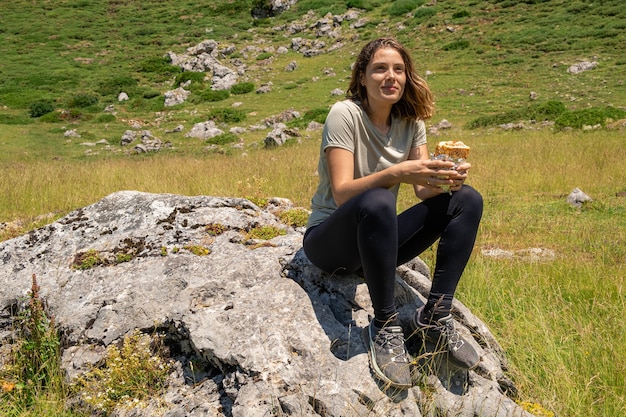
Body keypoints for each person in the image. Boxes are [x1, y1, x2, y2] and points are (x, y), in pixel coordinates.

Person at [302, 37, 483, 389]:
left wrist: (448, 181)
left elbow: (422, 189)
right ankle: (385, 326)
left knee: (469, 200)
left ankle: (435, 315)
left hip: (375, 246)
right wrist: (397, 173)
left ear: (407, 76)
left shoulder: (411, 123)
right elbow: (342, 193)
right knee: (380, 200)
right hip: (329, 243)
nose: (391, 77)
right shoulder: (345, 114)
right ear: (362, 78)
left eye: (398, 69)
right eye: (380, 69)